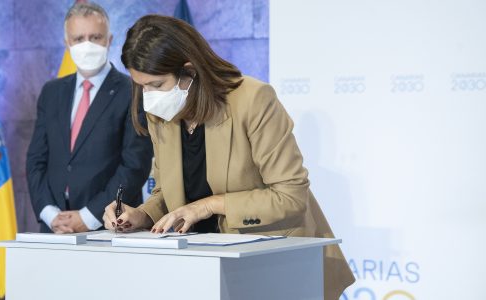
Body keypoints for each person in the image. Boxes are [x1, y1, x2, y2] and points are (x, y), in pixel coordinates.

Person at [102, 15, 355, 299]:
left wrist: (209, 206)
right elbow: (169, 192)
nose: (148, 96)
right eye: (142, 86)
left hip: (277, 264)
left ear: (190, 71)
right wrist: (142, 215)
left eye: (157, 85)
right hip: (206, 269)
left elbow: (290, 196)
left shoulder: (253, 99)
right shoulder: (162, 114)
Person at [26, 2, 152, 234]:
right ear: (67, 43)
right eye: (78, 38)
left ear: (109, 39)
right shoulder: (51, 92)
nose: (87, 45)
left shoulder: (133, 91)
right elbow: (36, 160)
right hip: (55, 228)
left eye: (95, 37)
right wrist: (49, 214)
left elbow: (135, 165)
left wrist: (90, 216)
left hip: (109, 226)